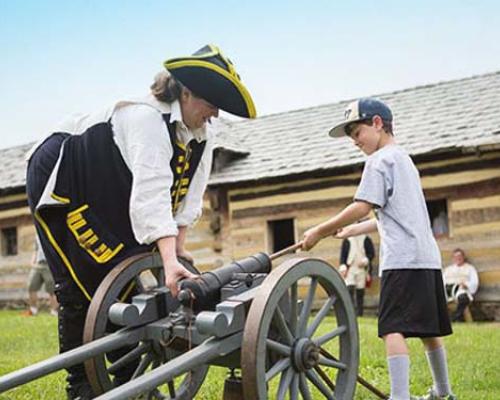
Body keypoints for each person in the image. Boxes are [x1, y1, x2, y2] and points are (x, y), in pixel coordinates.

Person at [26, 44, 256, 400]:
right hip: (66, 179)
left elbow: (188, 196)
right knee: (79, 287)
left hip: (114, 192)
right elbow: (152, 191)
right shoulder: (146, 118)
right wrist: (166, 261)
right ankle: (83, 387)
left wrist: (176, 251)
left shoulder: (202, 135)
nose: (215, 113)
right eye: (212, 102)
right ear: (187, 90)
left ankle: (126, 380)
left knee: (125, 282)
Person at [302, 98, 455, 400]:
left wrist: (320, 230)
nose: (354, 142)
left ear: (376, 124)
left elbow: (363, 205)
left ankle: (400, 396)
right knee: (428, 330)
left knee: (392, 328)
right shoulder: (404, 159)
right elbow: (393, 214)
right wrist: (352, 231)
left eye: (356, 133)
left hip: (402, 260)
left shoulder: (378, 160)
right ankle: (443, 391)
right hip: (426, 258)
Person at [338, 231, 375, 316]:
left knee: (360, 291)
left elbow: (371, 254)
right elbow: (343, 256)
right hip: (350, 268)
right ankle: (350, 313)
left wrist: (365, 261)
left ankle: (359, 313)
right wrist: (343, 266)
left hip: (361, 269)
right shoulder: (347, 240)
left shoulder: (366, 239)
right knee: (350, 289)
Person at [23, 235, 59, 316]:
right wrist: (32, 261)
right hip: (38, 264)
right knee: (31, 286)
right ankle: (33, 310)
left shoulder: (50, 232)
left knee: (52, 289)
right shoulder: (37, 236)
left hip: (48, 264)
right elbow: (36, 250)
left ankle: (54, 311)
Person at [443, 248, 479, 322]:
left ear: (463, 257)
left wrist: (466, 284)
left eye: (460, 256)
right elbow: (442, 281)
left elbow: (474, 282)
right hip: (448, 290)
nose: (458, 258)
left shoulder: (470, 268)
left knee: (463, 298)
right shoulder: (448, 270)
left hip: (461, 289)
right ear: (453, 258)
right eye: (456, 257)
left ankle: (456, 317)